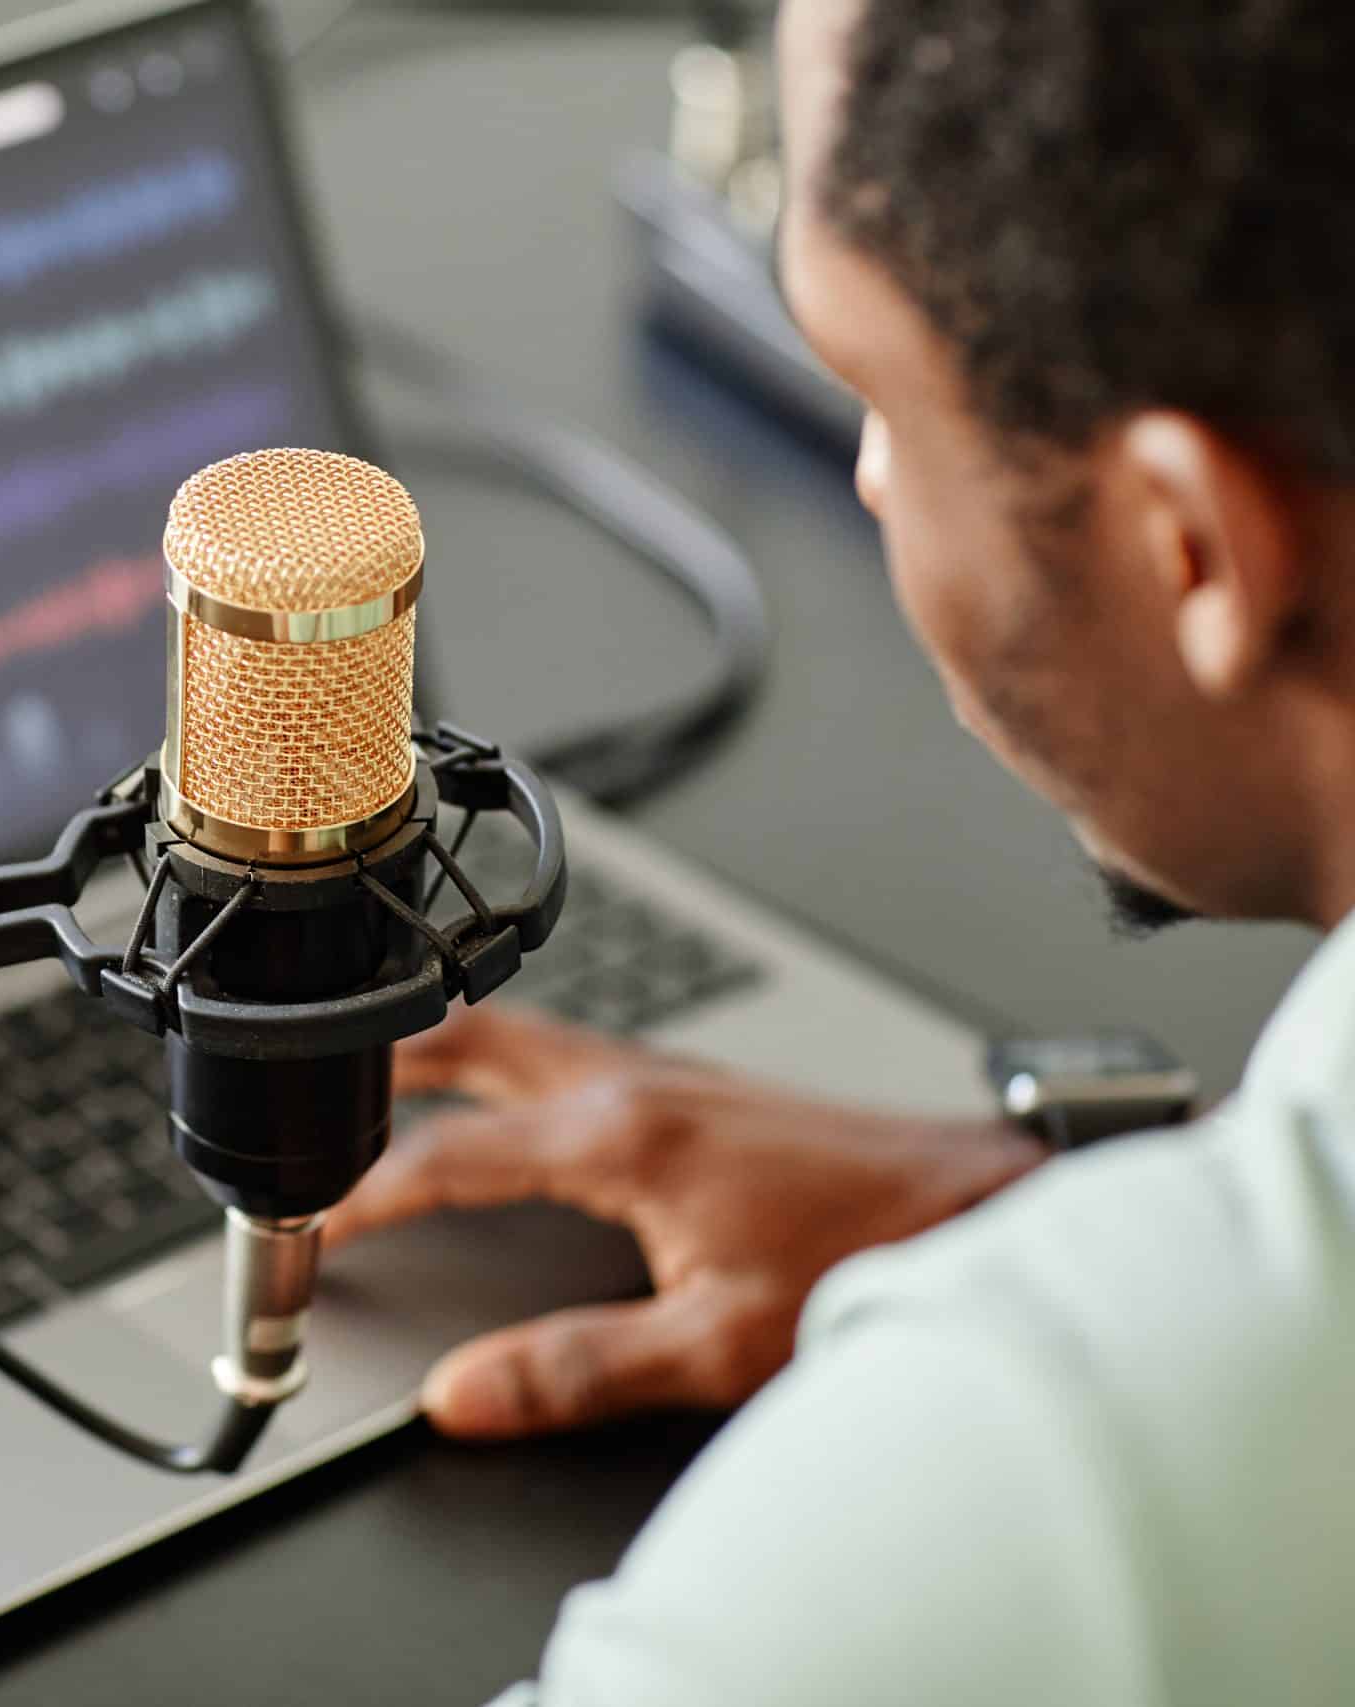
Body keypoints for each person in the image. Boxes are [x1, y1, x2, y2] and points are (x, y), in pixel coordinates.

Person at [328, 0, 1355, 1699]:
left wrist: (1089, 1325)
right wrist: (1077, 1193)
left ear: (1193, 555)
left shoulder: (1059, 1487)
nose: (875, 478)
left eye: (871, 383)